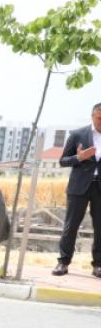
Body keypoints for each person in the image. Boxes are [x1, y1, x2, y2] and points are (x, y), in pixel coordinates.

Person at [52, 103, 101, 277]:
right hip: (79, 186)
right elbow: (63, 161)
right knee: (71, 226)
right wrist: (79, 157)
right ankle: (63, 263)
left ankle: (98, 265)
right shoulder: (78, 134)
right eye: (100, 118)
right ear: (92, 116)